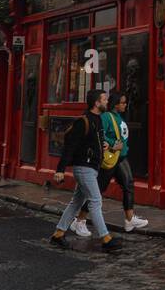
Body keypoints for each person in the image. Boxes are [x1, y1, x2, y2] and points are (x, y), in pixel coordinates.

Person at [49, 89, 121, 253]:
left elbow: (95, 142)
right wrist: (60, 169)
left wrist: (106, 146)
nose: (106, 102)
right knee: (95, 200)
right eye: (104, 99)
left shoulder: (98, 120)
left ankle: (58, 234)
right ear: (96, 103)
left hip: (93, 168)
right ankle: (106, 238)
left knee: (76, 202)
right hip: (84, 167)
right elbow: (70, 146)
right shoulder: (84, 121)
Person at [76, 91, 148, 233]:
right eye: (122, 102)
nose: (125, 105)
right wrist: (113, 143)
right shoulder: (106, 117)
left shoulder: (118, 117)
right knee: (99, 190)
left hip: (120, 157)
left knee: (128, 185)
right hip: (110, 159)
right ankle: (80, 220)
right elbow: (99, 133)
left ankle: (129, 219)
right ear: (115, 105)